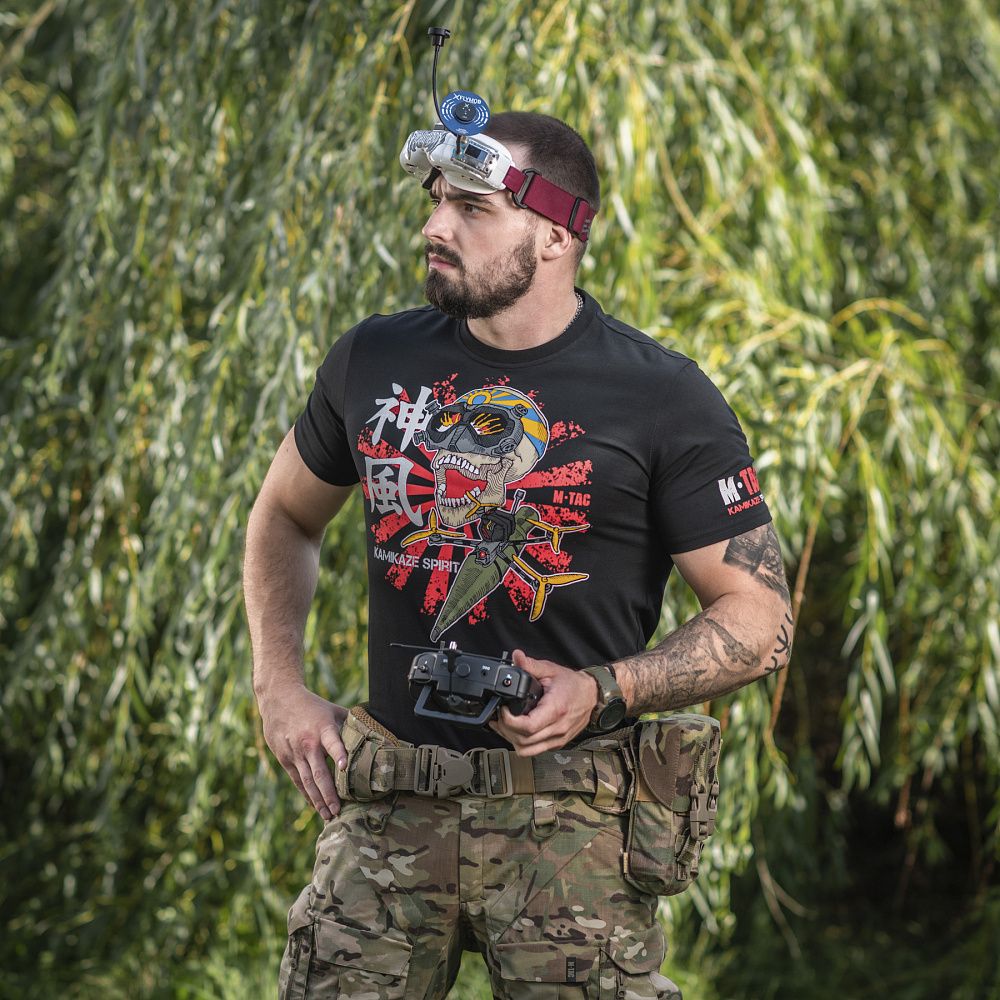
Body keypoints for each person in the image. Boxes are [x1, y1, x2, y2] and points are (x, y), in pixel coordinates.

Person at [243, 110, 794, 1000]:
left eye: (472, 207)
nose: (435, 226)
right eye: (435, 201)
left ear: (556, 234)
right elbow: (283, 515)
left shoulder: (663, 396)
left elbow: (761, 619)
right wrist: (279, 685)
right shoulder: (374, 358)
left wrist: (604, 689)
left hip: (573, 830)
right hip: (385, 811)